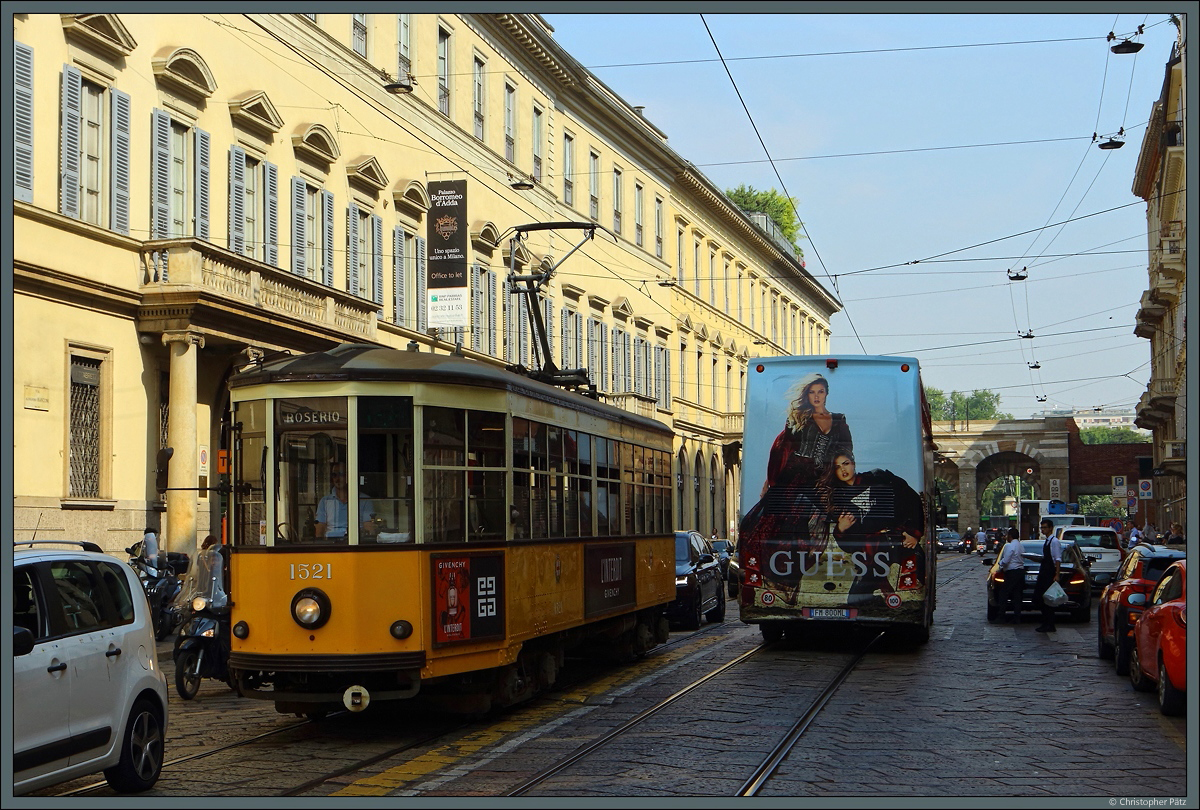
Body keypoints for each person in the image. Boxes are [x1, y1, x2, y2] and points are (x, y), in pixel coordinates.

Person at [737, 372, 853, 591]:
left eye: (820, 392)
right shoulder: (798, 418)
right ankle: (779, 579)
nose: (816, 396)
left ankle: (794, 578)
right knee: (779, 525)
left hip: (820, 479)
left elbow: (846, 452)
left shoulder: (839, 421)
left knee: (813, 527)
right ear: (807, 395)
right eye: (812, 392)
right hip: (794, 476)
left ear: (827, 394)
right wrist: (772, 483)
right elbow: (781, 450)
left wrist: (839, 478)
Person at [824, 448, 925, 605]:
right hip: (871, 555)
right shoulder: (838, 499)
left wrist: (913, 532)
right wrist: (841, 529)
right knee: (855, 600)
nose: (843, 469)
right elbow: (849, 547)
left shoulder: (878, 478)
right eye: (837, 467)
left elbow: (912, 499)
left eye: (845, 463)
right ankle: (885, 604)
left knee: (916, 585)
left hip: (899, 543)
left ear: (853, 463)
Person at [315, 462, 376, 540]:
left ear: (349, 476)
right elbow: (319, 529)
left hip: (356, 541)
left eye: (341, 474)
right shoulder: (325, 501)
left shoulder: (365, 500)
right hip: (332, 544)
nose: (337, 479)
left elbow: (369, 529)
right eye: (334, 475)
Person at [1033, 518, 1062, 633]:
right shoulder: (1047, 541)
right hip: (1044, 572)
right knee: (1040, 598)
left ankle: (1049, 623)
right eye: (1042, 528)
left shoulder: (1054, 542)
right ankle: (1047, 622)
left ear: (1050, 528)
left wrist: (1057, 574)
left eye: (1045, 527)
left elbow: (1057, 559)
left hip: (1049, 573)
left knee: (1047, 599)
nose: (1043, 530)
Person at [996, 527, 1026, 623]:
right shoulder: (1021, 546)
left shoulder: (1009, 546)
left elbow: (1006, 560)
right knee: (1017, 595)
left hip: (1012, 572)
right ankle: (1017, 617)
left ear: (1010, 536)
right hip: (1020, 572)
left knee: (1003, 594)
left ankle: (1001, 616)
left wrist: (1000, 564)